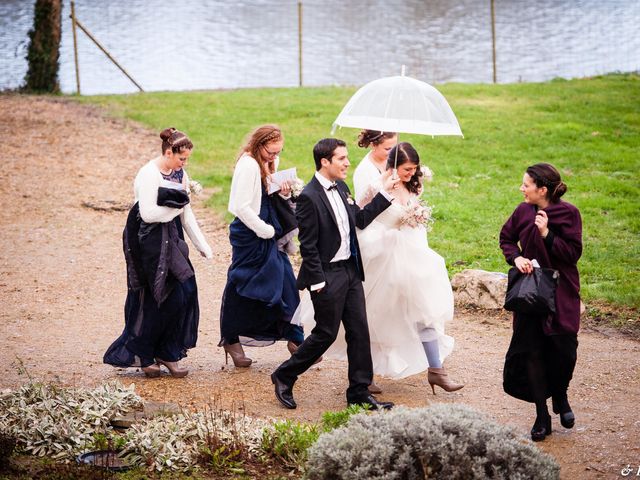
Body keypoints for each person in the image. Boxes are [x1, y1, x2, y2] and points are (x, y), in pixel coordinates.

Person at [298, 142, 463, 394]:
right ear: (393, 166)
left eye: (414, 169)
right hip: (382, 254)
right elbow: (360, 219)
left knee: (425, 309)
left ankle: (436, 370)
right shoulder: (377, 186)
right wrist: (385, 198)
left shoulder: (412, 184)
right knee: (375, 314)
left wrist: (416, 216)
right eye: (407, 169)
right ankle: (367, 374)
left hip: (412, 254)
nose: (411, 173)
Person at [271, 138, 400, 411]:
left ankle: (359, 391)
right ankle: (285, 374)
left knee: (359, 331)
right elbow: (309, 245)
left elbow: (359, 220)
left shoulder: (341, 187)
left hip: (351, 271)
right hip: (326, 276)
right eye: (342, 158)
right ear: (325, 161)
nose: (348, 163)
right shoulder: (308, 196)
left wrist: (386, 194)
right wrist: (318, 282)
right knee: (325, 334)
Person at [104, 127, 212, 378]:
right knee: (155, 294)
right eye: (181, 158)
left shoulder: (179, 172)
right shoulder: (148, 174)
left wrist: (201, 244)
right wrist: (179, 206)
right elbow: (149, 214)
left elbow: (187, 212)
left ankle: (168, 351)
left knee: (183, 291)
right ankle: (144, 354)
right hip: (146, 237)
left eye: (186, 159)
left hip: (171, 234)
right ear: (168, 152)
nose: (184, 164)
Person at [499, 163, 582, 442]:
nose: (521, 189)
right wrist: (516, 257)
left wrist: (548, 235)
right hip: (530, 293)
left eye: (526, 185)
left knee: (564, 350)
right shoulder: (522, 211)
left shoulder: (569, 214)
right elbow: (506, 238)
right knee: (532, 352)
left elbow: (572, 254)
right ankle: (542, 415)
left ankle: (561, 395)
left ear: (542, 189)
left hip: (561, 291)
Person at [219, 125, 304, 367]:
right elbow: (240, 206)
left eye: (278, 152)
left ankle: (296, 338)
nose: (275, 157)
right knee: (243, 284)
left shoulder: (270, 162)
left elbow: (272, 194)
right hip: (251, 233)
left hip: (270, 231)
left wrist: (286, 193)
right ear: (259, 145)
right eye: (271, 152)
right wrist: (264, 231)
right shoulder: (248, 165)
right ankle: (231, 338)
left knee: (286, 279)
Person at [353, 130, 397, 205]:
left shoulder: (394, 160)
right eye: (387, 149)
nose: (393, 152)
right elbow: (362, 205)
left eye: (395, 147)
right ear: (373, 145)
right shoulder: (363, 171)